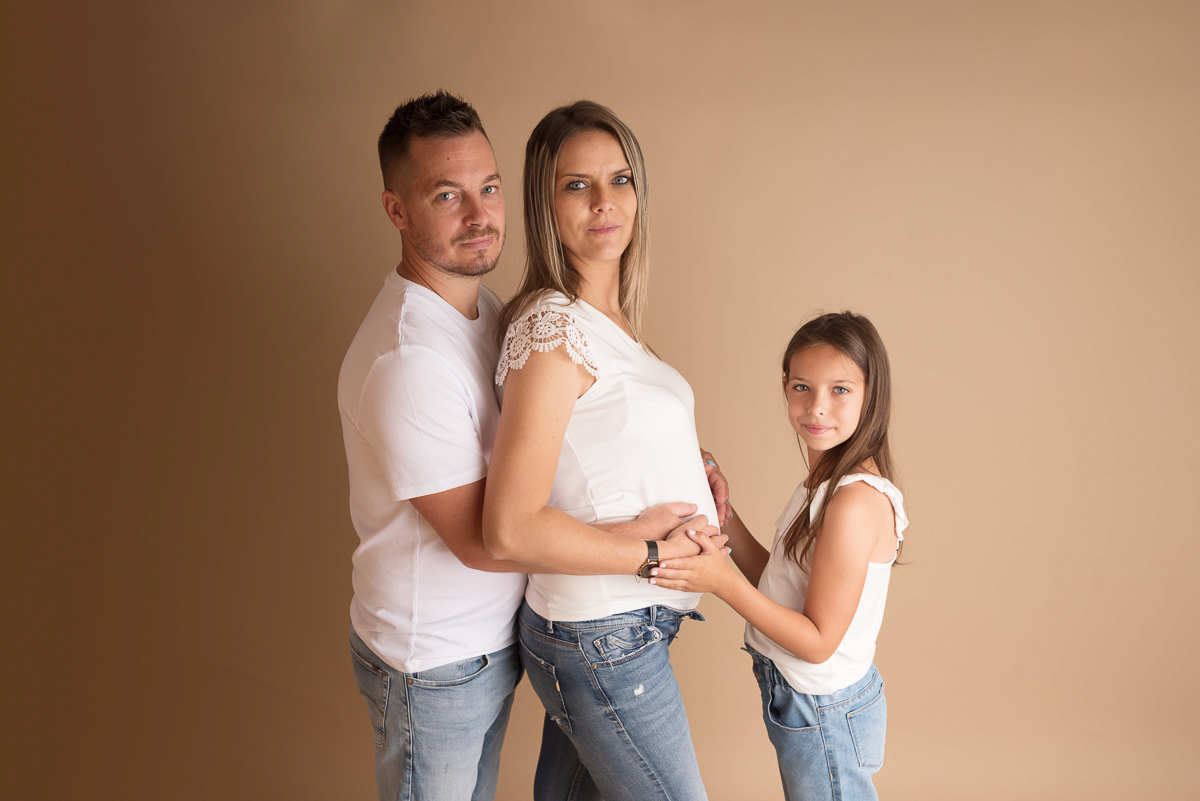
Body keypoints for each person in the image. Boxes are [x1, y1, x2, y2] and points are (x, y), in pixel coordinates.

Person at [337, 91, 718, 801]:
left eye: (488, 188)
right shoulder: (407, 361)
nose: (479, 214)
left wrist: (673, 465)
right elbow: (493, 537)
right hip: (434, 660)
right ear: (397, 210)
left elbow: (557, 437)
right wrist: (649, 548)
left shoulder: (481, 309)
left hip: (502, 636)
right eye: (447, 195)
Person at [482, 100, 732, 801]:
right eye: (577, 185)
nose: (604, 201)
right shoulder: (552, 329)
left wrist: (693, 461)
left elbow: (595, 435)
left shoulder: (605, 323)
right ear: (545, 204)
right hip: (601, 632)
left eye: (620, 180)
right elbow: (509, 528)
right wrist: (652, 553)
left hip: (614, 628)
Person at [652, 312, 908, 801]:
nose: (816, 407)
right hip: (806, 698)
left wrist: (720, 581)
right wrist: (721, 512)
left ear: (871, 394)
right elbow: (781, 580)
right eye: (801, 387)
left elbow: (817, 643)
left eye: (840, 390)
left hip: (823, 708)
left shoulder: (853, 501)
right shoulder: (826, 481)